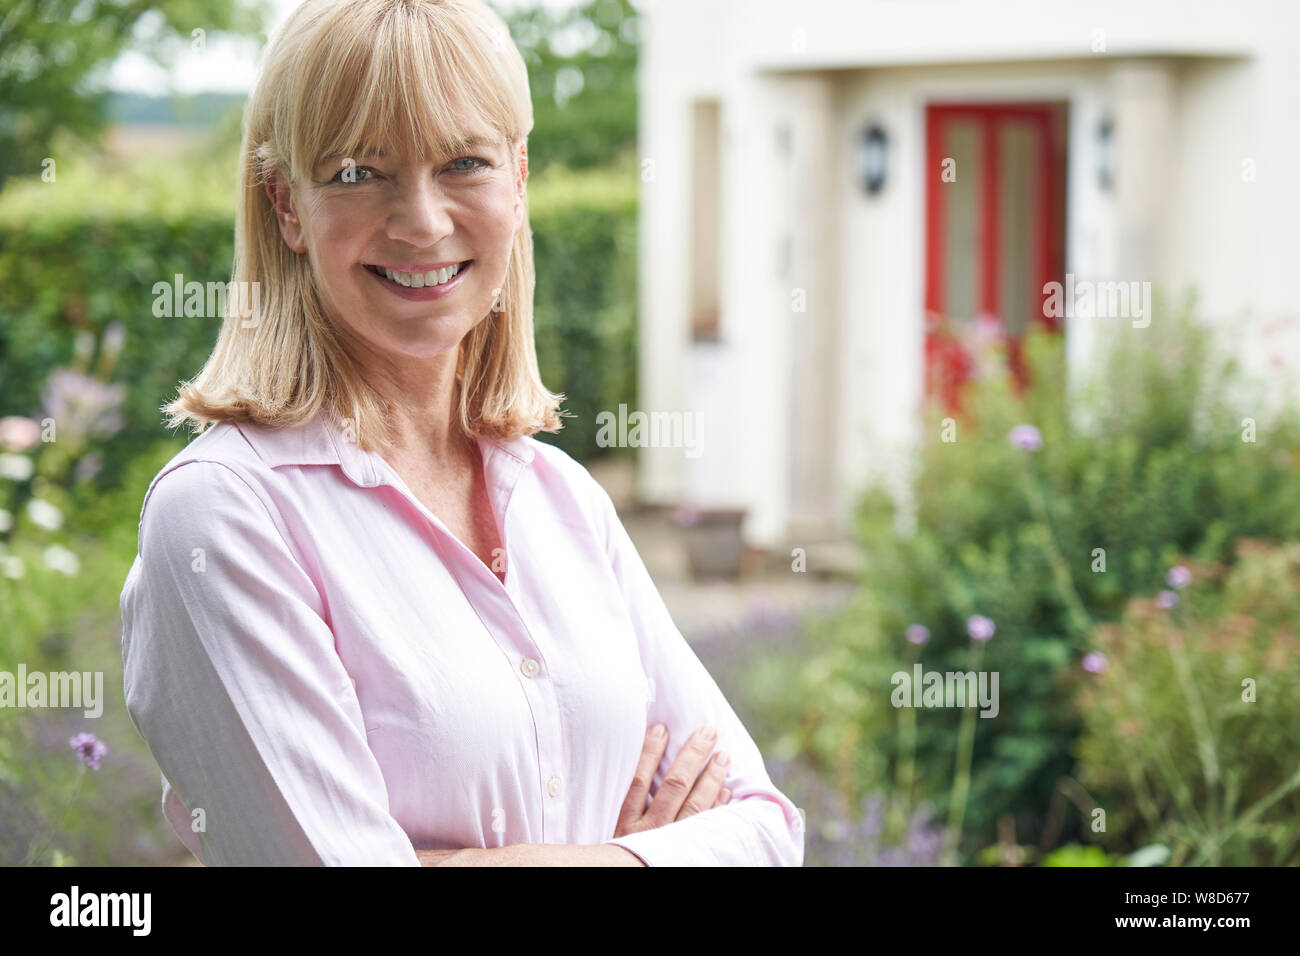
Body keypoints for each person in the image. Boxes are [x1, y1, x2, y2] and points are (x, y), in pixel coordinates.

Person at [119, 0, 804, 866]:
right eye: (358, 172)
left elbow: (769, 831)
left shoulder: (563, 497)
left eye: (464, 163)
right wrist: (630, 855)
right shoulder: (222, 515)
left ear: (518, 181)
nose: (423, 222)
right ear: (285, 204)